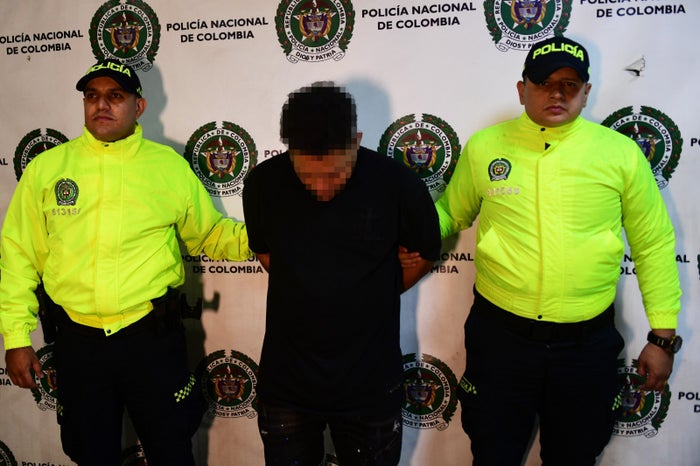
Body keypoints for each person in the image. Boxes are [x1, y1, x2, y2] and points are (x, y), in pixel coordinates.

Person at [410, 36, 682, 464]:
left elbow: (653, 242)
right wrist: (401, 230)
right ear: (522, 90)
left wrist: (662, 337)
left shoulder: (621, 154)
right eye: (544, 83)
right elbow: (451, 213)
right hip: (500, 341)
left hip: (585, 347)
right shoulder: (485, 147)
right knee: (493, 455)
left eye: (569, 84)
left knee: (575, 456)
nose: (557, 94)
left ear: (586, 92)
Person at [0, 59, 251, 466]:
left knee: (171, 451)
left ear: (139, 106)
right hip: (78, 343)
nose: (101, 105)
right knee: (90, 454)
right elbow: (19, 255)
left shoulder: (167, 166)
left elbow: (209, 234)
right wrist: (15, 337)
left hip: (151, 339)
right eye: (92, 96)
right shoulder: (48, 169)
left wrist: (270, 239)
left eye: (115, 96)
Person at [242, 82, 441, 466]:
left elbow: (423, 257)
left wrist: (365, 293)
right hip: (286, 384)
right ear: (289, 150)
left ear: (357, 141)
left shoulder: (398, 185)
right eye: (307, 175)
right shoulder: (262, 183)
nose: (321, 187)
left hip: (370, 386)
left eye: (335, 174)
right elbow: (266, 254)